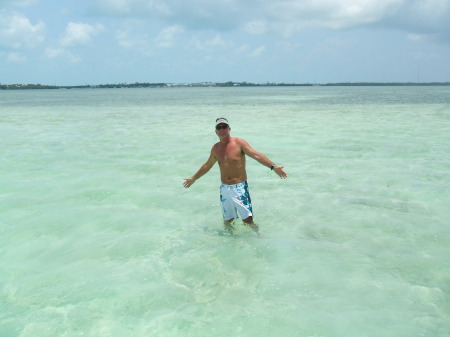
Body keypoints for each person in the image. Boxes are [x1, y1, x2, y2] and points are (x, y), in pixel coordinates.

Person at [183, 117, 287, 235]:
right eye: (219, 127)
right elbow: (207, 165)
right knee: (228, 220)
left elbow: (256, 155)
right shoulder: (215, 148)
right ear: (216, 131)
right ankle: (231, 243)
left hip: (240, 187)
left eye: (224, 127)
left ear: (229, 129)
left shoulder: (239, 143)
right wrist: (194, 178)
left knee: (247, 220)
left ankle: (259, 236)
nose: (222, 129)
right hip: (224, 188)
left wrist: (273, 167)